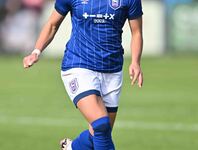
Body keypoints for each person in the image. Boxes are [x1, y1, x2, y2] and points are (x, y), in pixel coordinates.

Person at [23, 0, 143, 149]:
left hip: (112, 70)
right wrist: (36, 51)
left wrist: (135, 62)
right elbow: (53, 24)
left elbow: (136, 32)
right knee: (101, 125)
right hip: (78, 65)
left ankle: (73, 147)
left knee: (98, 134)